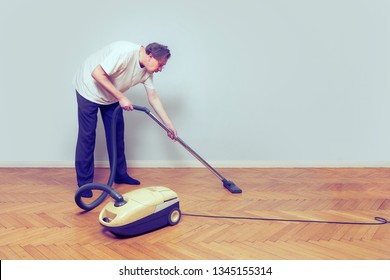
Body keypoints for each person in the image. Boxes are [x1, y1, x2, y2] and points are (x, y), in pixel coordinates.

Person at [73, 41, 177, 197]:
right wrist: (121, 97)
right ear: (150, 56)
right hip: (89, 89)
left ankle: (120, 175)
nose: (160, 69)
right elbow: (96, 73)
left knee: (116, 135)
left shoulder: (147, 72)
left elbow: (153, 98)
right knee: (87, 137)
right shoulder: (124, 53)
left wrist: (168, 125)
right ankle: (84, 184)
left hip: (111, 94)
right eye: (160, 64)